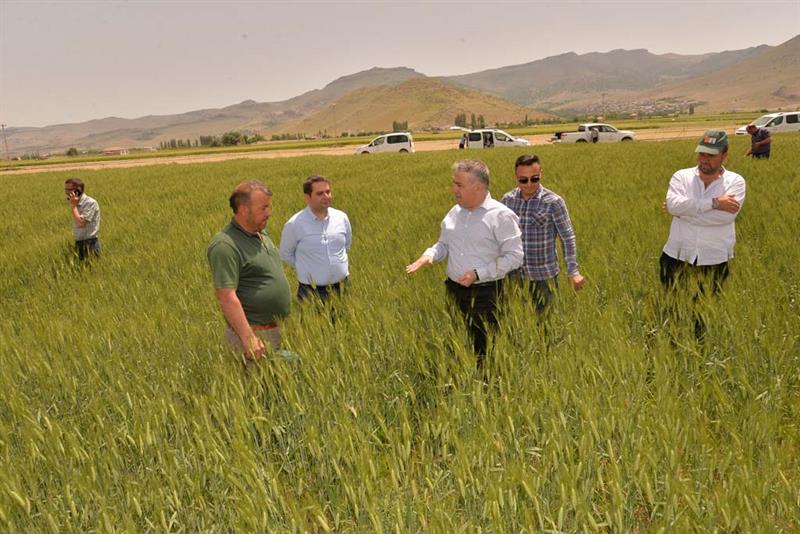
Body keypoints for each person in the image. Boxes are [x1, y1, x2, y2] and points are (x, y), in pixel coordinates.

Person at [406, 159, 523, 367]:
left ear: (477, 187)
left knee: (486, 351)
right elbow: (444, 244)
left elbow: (515, 256)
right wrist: (429, 255)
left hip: (486, 295)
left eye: (459, 184)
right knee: (459, 343)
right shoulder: (455, 212)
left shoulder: (501, 216)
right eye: (454, 183)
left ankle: (487, 384)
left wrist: (477, 274)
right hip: (454, 291)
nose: (454, 189)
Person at [660, 129, 746, 340]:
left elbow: (725, 218)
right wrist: (714, 203)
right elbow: (673, 204)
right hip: (676, 256)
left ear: (724, 154)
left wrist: (682, 213)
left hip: (714, 259)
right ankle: (671, 350)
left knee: (704, 318)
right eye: (701, 153)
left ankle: (699, 352)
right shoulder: (681, 176)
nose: (704, 159)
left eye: (711, 155)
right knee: (671, 312)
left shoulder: (736, 182)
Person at [207, 180, 292, 364]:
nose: (269, 212)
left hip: (277, 330)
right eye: (264, 208)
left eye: (269, 206)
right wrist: (248, 338)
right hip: (255, 338)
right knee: (256, 383)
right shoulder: (225, 245)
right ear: (244, 210)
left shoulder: (262, 233)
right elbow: (226, 296)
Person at [501, 155, 585, 314]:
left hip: (544, 277)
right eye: (523, 180)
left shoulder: (553, 202)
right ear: (516, 177)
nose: (529, 184)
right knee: (516, 320)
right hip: (514, 275)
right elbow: (499, 236)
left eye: (534, 178)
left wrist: (573, 271)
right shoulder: (507, 201)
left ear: (541, 174)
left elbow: (567, 237)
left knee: (546, 322)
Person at [280, 176, 352, 303]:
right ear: (307, 197)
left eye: (328, 192)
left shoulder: (341, 218)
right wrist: (307, 267)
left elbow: (346, 245)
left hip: (342, 287)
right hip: (311, 291)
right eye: (320, 193)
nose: (326, 196)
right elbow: (286, 254)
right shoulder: (294, 224)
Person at [64, 178, 101, 260]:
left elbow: (81, 223)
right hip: (78, 243)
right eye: (65, 189)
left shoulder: (90, 203)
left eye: (69, 190)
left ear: (78, 190)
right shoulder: (75, 202)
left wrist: (73, 207)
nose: (66, 192)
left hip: (90, 244)